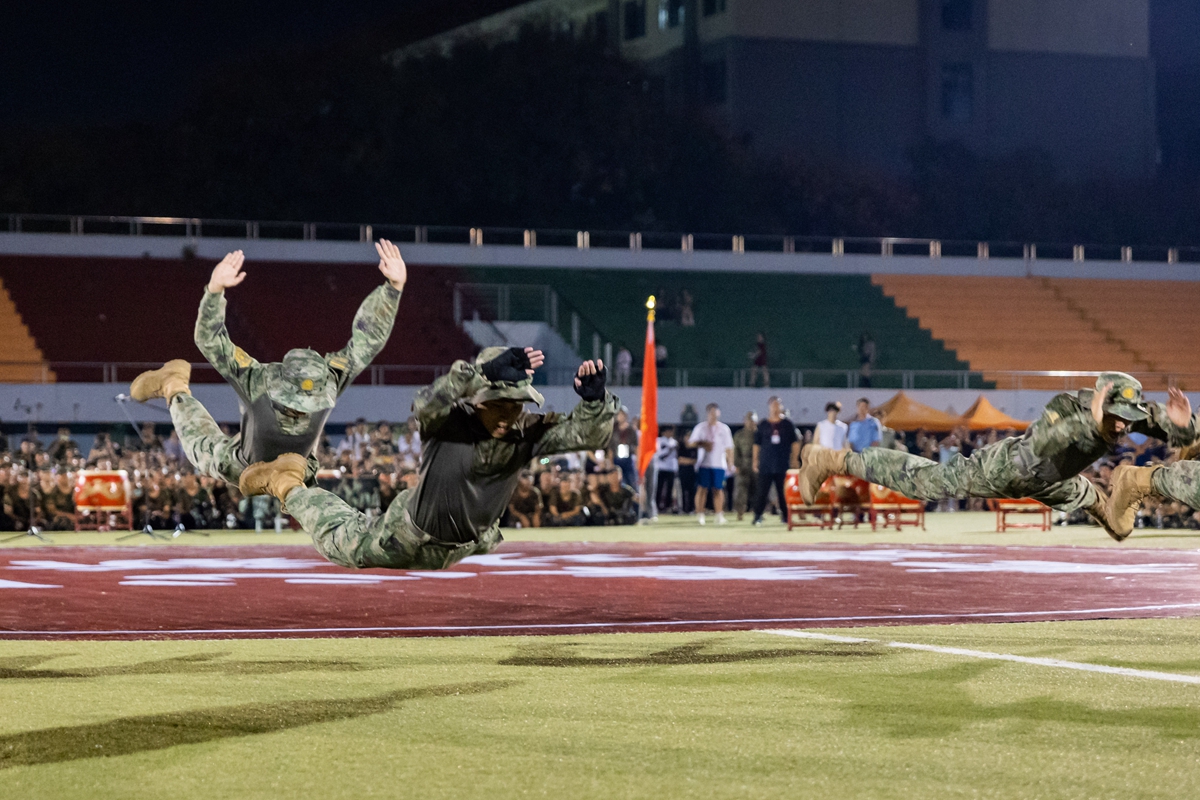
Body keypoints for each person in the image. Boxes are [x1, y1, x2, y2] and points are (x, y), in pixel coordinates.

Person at [237, 347, 617, 570]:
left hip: (470, 543)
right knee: (342, 540)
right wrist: (478, 373)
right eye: (497, 404)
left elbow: (589, 433)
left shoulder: (528, 431)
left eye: (517, 405)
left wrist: (595, 402)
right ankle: (286, 481)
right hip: (408, 535)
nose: (507, 415)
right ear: (475, 401)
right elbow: (424, 403)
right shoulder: (449, 421)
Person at [128, 242, 405, 488]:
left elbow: (366, 342)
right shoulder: (258, 379)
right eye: (295, 404)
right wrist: (214, 291)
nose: (300, 411)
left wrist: (393, 289)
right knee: (203, 450)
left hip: (296, 470)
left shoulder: (329, 379)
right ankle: (173, 385)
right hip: (244, 464)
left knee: (300, 483)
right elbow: (210, 340)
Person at [798, 373, 1196, 540]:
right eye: (1116, 418)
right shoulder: (1066, 406)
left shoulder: (1126, 410)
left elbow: (1180, 434)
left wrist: (1183, 423)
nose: (1123, 427)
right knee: (929, 483)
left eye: (1129, 419)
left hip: (1060, 481)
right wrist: (1092, 424)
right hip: (1012, 467)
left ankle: (1120, 490)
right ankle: (828, 460)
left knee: (1120, 529)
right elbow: (1043, 446)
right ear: (1099, 402)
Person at [753, 397, 800, 525]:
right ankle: (758, 516)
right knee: (762, 491)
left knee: (783, 492)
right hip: (766, 463)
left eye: (777, 405)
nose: (775, 408)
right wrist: (755, 460)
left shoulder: (787, 424)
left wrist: (794, 459)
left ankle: (785, 516)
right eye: (773, 405)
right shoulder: (763, 424)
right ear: (769, 407)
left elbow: (795, 443)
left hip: (782, 463)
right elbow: (756, 444)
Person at [688, 403, 734, 525]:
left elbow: (729, 447)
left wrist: (731, 463)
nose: (713, 415)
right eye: (711, 412)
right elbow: (691, 443)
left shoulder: (724, 429)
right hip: (704, 463)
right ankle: (700, 514)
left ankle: (719, 514)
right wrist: (703, 443)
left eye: (715, 412)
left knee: (718, 489)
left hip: (719, 463)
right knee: (702, 489)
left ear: (719, 413)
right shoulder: (701, 428)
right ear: (707, 413)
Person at [732, 412, 758, 520]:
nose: (751, 423)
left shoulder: (760, 434)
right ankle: (740, 512)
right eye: (749, 420)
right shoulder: (739, 435)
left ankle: (758, 512)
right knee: (741, 491)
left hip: (757, 466)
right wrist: (736, 464)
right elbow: (735, 451)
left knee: (758, 491)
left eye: (753, 420)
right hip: (743, 465)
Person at [608, 408, 639, 489]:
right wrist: (610, 462)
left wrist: (637, 461)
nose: (619, 417)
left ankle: (632, 498)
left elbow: (636, 446)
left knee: (631, 482)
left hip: (628, 459)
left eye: (621, 415)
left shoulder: (631, 430)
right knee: (618, 482)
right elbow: (610, 448)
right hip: (616, 458)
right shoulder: (614, 430)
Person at [654, 426, 679, 513]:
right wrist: (668, 450)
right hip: (661, 467)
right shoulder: (659, 440)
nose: (669, 433)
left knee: (669, 488)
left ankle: (667, 506)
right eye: (667, 431)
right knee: (659, 488)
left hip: (671, 468)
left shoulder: (674, 442)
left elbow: (675, 457)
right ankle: (656, 506)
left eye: (670, 431)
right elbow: (658, 454)